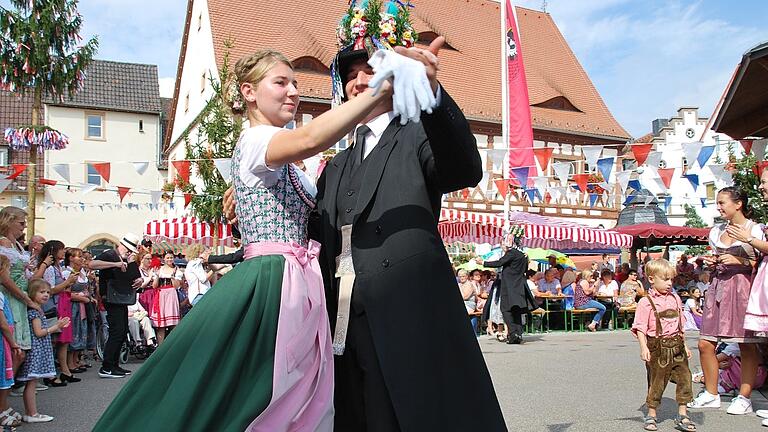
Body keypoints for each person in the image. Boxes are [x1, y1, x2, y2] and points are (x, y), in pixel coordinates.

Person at [94, 40, 429, 430]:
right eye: (281, 83)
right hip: (274, 279)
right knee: (267, 391)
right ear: (249, 92)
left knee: (287, 393)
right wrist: (380, 88)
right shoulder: (256, 139)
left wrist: (244, 193)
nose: (293, 91)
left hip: (296, 277)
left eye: (295, 83)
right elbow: (308, 139)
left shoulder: (275, 154)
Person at [304, 3, 505, 429]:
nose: (360, 81)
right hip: (341, 319)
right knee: (352, 418)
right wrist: (253, 202)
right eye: (352, 73)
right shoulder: (336, 165)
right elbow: (313, 232)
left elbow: (464, 168)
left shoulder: (416, 135)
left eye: (371, 69)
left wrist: (431, 94)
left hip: (404, 314)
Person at [688, 187, 764, 414]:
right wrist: (712, 262)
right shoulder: (716, 231)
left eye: (722, 202)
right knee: (705, 343)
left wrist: (739, 259)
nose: (719, 207)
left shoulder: (754, 229)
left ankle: (744, 397)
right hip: (718, 287)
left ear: (738, 203)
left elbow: (761, 265)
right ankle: (711, 393)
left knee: (746, 344)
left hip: (743, 289)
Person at [632, 259, 695, 432]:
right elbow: (640, 328)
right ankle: (652, 414)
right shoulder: (646, 302)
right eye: (665, 279)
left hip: (677, 345)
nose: (669, 283)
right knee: (657, 381)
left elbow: (680, 325)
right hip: (657, 346)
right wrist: (643, 347)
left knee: (685, 378)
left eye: (671, 280)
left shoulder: (675, 298)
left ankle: (683, 413)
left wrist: (685, 345)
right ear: (651, 279)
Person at [17, 279, 70, 424]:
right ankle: (31, 413)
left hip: (39, 348)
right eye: (42, 292)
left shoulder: (38, 310)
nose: (46, 295)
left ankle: (31, 412)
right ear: (32, 293)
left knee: (32, 382)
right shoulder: (34, 312)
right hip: (36, 349)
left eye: (47, 292)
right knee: (32, 382)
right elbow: (39, 332)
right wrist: (56, 326)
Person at [89, 233, 142, 379]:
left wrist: (139, 279)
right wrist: (115, 264)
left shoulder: (127, 259)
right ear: (122, 245)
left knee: (122, 330)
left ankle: (114, 364)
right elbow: (92, 264)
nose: (130, 252)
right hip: (111, 298)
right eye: (129, 249)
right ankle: (106, 366)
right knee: (116, 331)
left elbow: (135, 277)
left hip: (121, 298)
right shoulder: (110, 254)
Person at [484, 237, 537, 345]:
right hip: (519, 286)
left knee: (506, 310)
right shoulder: (522, 255)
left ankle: (513, 334)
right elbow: (525, 269)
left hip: (509, 287)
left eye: (503, 244)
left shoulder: (511, 253)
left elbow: (499, 263)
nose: (502, 247)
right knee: (516, 311)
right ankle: (518, 334)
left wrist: (483, 262)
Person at [0, 255, 22, 429]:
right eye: (7, 269)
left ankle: (4, 407)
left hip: (5, 339)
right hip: (3, 340)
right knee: (3, 373)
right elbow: (2, 323)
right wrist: (13, 342)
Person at [150, 252, 181, 344]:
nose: (169, 259)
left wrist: (172, 278)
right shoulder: (159, 270)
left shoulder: (176, 270)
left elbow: (177, 286)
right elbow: (154, 286)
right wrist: (157, 276)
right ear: (164, 259)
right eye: (167, 258)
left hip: (171, 296)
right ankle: (160, 347)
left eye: (171, 257)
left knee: (173, 324)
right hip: (161, 296)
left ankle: (173, 345)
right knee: (161, 325)